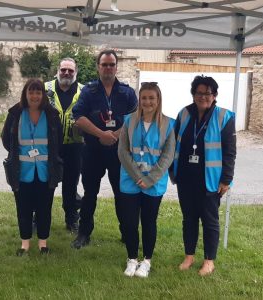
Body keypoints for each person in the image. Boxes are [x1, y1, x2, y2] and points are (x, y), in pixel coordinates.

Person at [170, 75, 237, 276]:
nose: (203, 97)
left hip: (210, 180)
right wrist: (172, 172)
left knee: (210, 220)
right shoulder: (184, 114)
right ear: (193, 94)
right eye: (199, 93)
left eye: (208, 93)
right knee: (188, 218)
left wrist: (226, 179)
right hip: (185, 177)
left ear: (214, 95)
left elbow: (230, 151)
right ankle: (189, 256)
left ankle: (209, 260)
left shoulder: (224, 117)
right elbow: (174, 143)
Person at [71, 49, 138, 249]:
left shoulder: (127, 92)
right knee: (90, 194)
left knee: (122, 193)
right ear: (98, 67)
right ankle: (84, 234)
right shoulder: (88, 91)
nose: (108, 68)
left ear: (116, 67)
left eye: (111, 64)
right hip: (93, 150)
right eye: (104, 64)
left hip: (119, 153)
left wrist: (114, 135)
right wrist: (101, 135)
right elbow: (78, 117)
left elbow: (135, 119)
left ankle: (127, 234)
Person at [117, 82, 175, 278]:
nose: (148, 102)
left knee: (149, 222)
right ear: (139, 100)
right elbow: (122, 152)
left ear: (158, 100)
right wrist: (137, 176)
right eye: (144, 98)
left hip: (154, 183)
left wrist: (149, 179)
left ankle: (146, 261)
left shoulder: (169, 124)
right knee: (130, 223)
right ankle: (132, 259)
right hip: (130, 181)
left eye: (152, 98)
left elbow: (168, 156)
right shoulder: (128, 121)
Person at [1, 78, 63, 255]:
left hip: (46, 171)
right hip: (22, 172)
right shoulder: (15, 114)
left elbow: (57, 141)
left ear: (43, 94)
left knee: (45, 208)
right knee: (23, 209)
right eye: (31, 92)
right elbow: (7, 140)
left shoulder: (51, 115)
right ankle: (25, 244)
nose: (34, 96)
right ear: (25, 94)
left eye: (38, 92)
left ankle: (43, 243)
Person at [44, 57, 85, 233]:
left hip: (75, 145)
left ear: (75, 72)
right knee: (47, 185)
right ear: (58, 71)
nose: (66, 73)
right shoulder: (45, 89)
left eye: (70, 70)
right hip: (49, 145)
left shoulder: (84, 91)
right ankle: (40, 218)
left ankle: (71, 219)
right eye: (63, 70)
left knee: (70, 185)